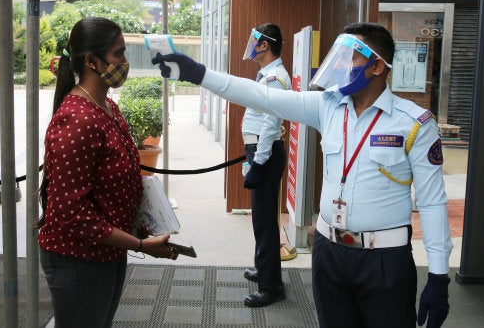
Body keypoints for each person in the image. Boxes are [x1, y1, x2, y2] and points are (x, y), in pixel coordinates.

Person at [152, 22, 453, 328]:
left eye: (350, 58)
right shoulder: (328, 106)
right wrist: (198, 73)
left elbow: (432, 203)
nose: (340, 66)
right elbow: (259, 96)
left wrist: (439, 276)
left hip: (385, 260)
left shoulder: (414, 123)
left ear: (377, 66)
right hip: (329, 253)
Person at [37, 17, 177, 328]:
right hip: (78, 259)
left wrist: (138, 225)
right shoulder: (77, 119)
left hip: (109, 251)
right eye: (119, 54)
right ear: (90, 61)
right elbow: (68, 213)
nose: (125, 63)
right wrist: (139, 246)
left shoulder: (109, 108)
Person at [239, 23, 291, 307]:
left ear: (265, 46)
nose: (252, 45)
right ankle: (264, 268)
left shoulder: (275, 78)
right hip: (260, 151)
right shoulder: (268, 75)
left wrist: (258, 162)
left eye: (255, 41)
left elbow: (271, 124)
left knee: (265, 220)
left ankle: (272, 286)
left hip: (265, 153)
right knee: (261, 217)